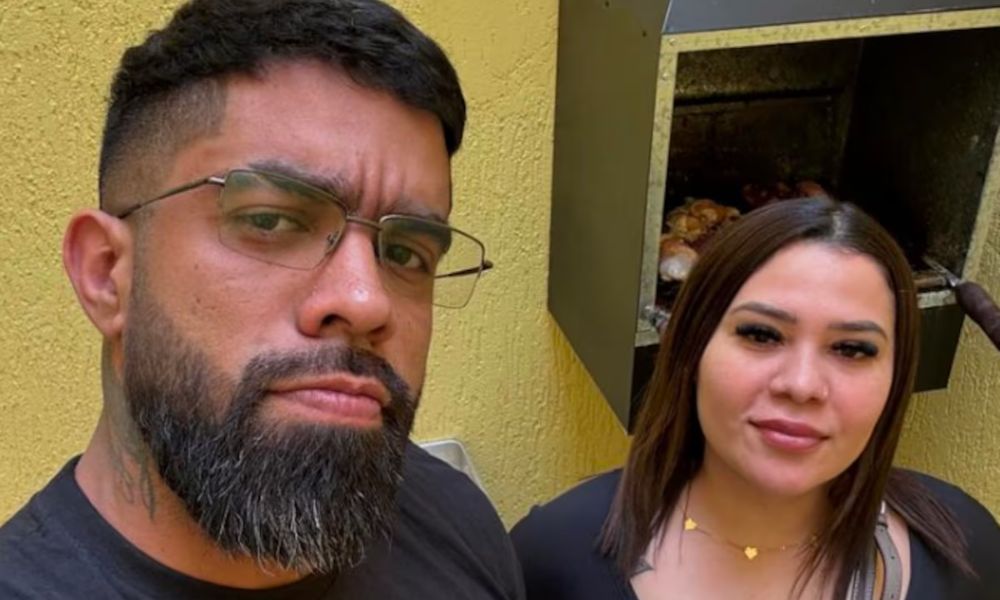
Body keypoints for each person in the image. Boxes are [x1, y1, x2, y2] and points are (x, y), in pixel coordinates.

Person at [0, 1, 524, 598]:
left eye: (406, 253)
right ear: (106, 273)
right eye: (271, 220)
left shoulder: (455, 523)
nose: (366, 300)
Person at [511, 197, 1000, 599]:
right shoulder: (551, 559)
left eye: (852, 349)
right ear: (691, 349)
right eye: (761, 335)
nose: (801, 385)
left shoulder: (963, 546)